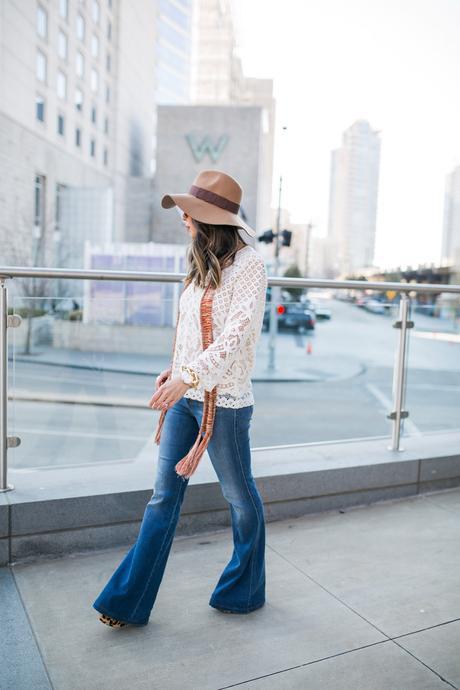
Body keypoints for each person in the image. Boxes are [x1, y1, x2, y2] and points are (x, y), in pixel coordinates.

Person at [93, 170, 268, 628]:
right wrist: (179, 369)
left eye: (188, 214)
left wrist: (189, 375)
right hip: (187, 394)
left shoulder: (249, 265)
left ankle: (244, 588)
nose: (183, 220)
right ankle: (126, 602)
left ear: (209, 219)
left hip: (225, 402)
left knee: (239, 496)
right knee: (162, 497)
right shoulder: (200, 262)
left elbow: (235, 334)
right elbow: (195, 327)